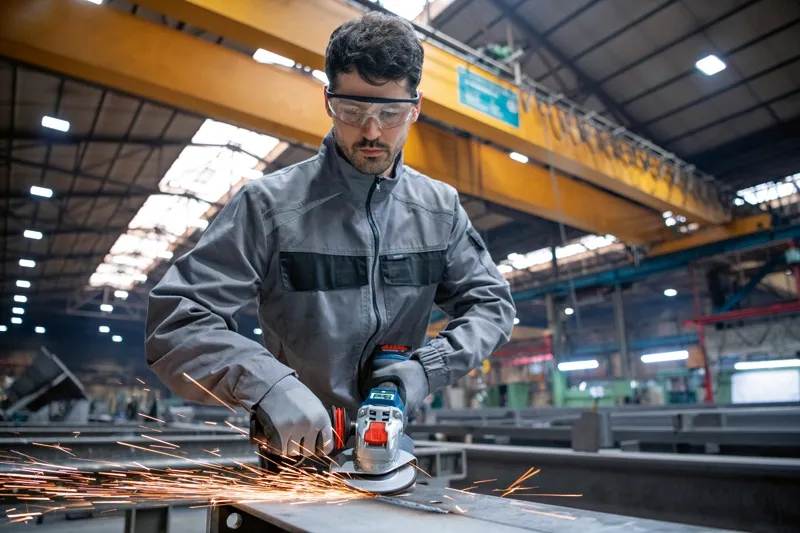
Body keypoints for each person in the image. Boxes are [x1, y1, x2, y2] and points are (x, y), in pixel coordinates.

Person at [145, 12, 516, 459]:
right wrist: (268, 385)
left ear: (415, 108)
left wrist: (426, 368)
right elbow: (177, 322)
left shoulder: (439, 209)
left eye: (390, 113)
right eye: (352, 111)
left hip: (391, 450)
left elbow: (492, 306)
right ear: (328, 102)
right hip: (292, 456)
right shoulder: (269, 208)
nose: (372, 131)